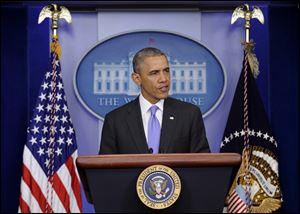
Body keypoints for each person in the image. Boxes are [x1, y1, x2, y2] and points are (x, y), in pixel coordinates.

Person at [99, 47, 210, 154]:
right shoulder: (115, 121)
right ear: (137, 79)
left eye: (166, 71)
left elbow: (202, 165)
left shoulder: (190, 114)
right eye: (154, 73)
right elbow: (106, 169)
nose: (164, 79)